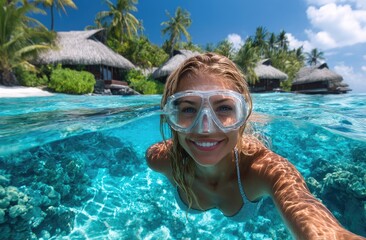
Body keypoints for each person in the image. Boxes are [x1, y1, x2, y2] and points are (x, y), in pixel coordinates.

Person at [146, 53, 364, 239]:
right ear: (169, 116)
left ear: (244, 114)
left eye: (223, 108)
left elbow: (311, 214)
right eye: (187, 109)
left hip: (251, 147)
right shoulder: (160, 159)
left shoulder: (266, 170)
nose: (205, 128)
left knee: (258, 140)